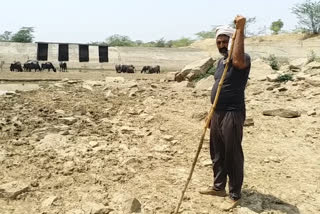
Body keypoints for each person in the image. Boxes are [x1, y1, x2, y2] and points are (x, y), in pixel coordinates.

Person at [199, 15, 251, 211]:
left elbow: (236, 60)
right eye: (219, 41)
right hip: (218, 113)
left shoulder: (242, 58)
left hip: (232, 113)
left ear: (232, 41)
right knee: (217, 152)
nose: (221, 44)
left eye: (225, 41)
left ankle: (235, 193)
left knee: (232, 153)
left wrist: (240, 30)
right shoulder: (221, 63)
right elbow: (219, 87)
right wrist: (210, 113)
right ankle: (218, 187)